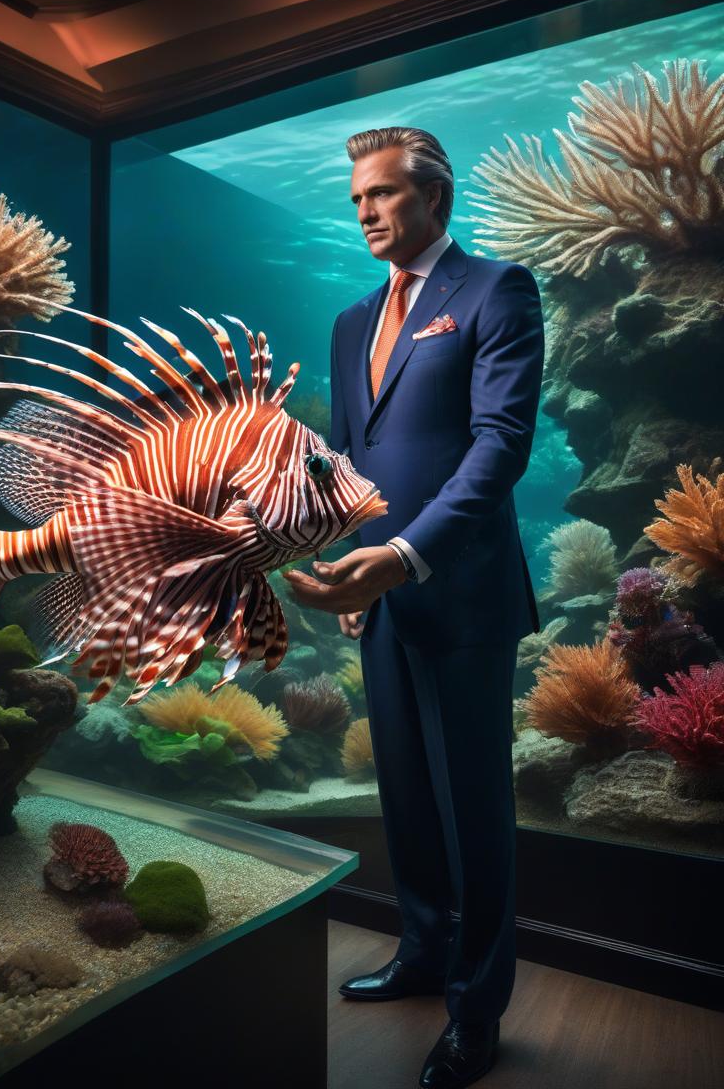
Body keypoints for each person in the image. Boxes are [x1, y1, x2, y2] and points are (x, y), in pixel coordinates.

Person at [283, 126, 544, 1089]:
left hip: (461, 594)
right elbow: (346, 460)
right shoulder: (353, 321)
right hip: (377, 595)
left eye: (384, 195)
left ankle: (477, 1012)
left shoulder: (498, 289)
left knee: (474, 810)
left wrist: (401, 555)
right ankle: (425, 953)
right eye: (357, 200)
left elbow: (499, 446)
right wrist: (352, 562)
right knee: (404, 798)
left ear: (435, 197)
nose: (366, 213)